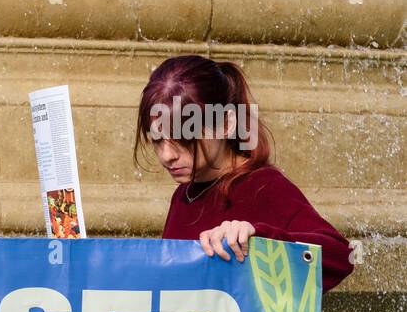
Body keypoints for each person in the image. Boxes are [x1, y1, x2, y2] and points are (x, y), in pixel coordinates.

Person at [135, 55, 352, 292]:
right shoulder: (184, 196)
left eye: (183, 138)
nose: (167, 155)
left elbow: (342, 255)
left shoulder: (264, 186)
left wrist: (258, 238)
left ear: (227, 123)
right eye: (157, 138)